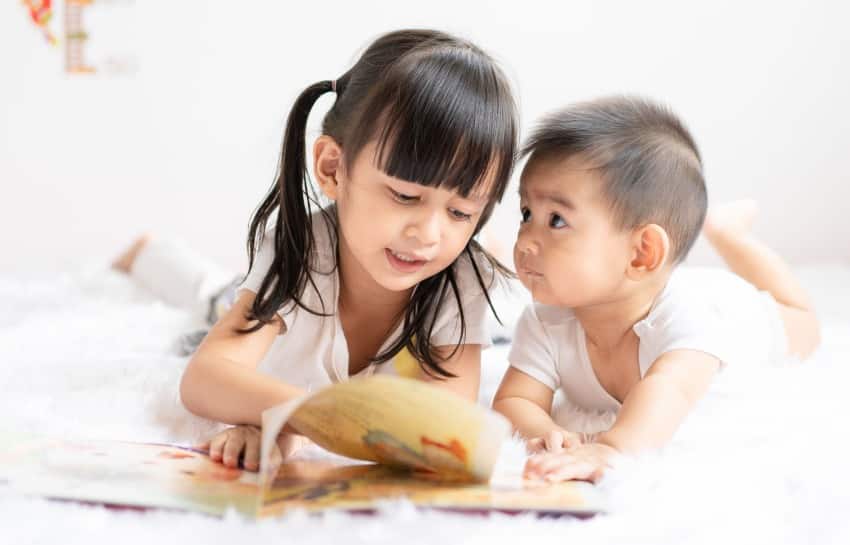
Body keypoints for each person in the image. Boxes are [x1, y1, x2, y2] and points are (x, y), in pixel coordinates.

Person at [116, 29, 518, 471]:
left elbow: (444, 422)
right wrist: (301, 420)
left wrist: (294, 431)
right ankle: (150, 251)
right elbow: (205, 379)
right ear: (332, 169)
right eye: (405, 196)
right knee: (214, 296)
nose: (428, 234)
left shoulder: (462, 277)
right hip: (284, 303)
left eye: (461, 213)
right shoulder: (298, 251)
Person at [492, 96, 820, 483]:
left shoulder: (689, 322)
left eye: (557, 220)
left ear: (641, 252)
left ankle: (729, 234)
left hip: (730, 309)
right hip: (670, 282)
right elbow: (515, 399)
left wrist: (609, 449)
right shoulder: (546, 321)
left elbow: (671, 391)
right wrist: (541, 432)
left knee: (803, 322)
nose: (526, 240)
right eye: (527, 214)